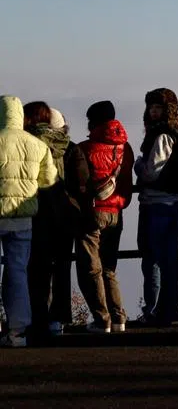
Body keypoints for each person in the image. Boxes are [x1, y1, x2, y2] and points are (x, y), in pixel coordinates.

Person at [135, 88, 178, 327]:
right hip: (174, 201)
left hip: (156, 202)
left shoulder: (162, 134)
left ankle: (154, 311)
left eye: (158, 108)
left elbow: (152, 171)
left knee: (152, 257)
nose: (153, 112)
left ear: (167, 110)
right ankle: (167, 309)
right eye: (151, 107)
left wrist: (138, 165)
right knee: (169, 258)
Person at [73, 100, 135, 333]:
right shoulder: (125, 147)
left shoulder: (86, 148)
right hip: (116, 212)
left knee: (90, 269)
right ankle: (119, 318)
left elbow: (78, 182)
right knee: (109, 268)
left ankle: (102, 320)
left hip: (93, 212)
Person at [0, 95, 57, 348]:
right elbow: (48, 180)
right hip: (23, 217)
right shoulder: (36, 144)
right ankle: (17, 331)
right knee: (18, 272)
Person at [24, 103, 79, 337]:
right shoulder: (71, 148)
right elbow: (82, 182)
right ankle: (58, 320)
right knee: (63, 268)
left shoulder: (31, 146)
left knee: (37, 268)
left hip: (38, 213)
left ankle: (37, 318)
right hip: (65, 215)